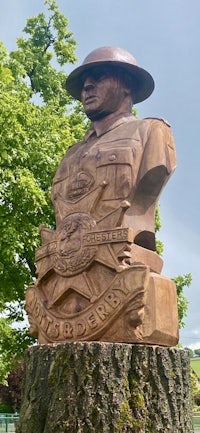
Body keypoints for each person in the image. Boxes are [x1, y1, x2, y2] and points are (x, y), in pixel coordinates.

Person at [26, 46, 178, 345]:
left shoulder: (151, 132)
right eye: (84, 81)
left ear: (127, 85)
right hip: (63, 282)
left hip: (121, 267)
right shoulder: (70, 155)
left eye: (99, 76)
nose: (87, 86)